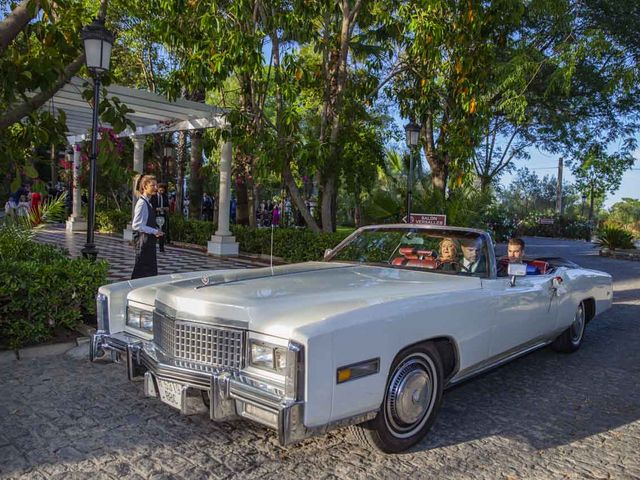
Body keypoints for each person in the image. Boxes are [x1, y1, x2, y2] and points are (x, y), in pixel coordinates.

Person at [131, 174, 163, 279]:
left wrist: (155, 231)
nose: (156, 188)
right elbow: (136, 225)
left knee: (147, 271)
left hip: (148, 242)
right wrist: (154, 231)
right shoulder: (142, 203)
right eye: (152, 185)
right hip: (143, 242)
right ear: (145, 186)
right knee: (142, 270)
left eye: (156, 185)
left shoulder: (148, 203)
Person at [151, 183, 170, 252]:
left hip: (162, 216)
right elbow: (151, 206)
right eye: (160, 190)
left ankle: (161, 248)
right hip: (155, 215)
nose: (162, 192)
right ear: (158, 189)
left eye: (163, 190)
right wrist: (157, 209)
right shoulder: (154, 196)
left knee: (162, 231)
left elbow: (168, 206)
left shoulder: (165, 196)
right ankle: (153, 246)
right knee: (154, 231)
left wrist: (165, 208)